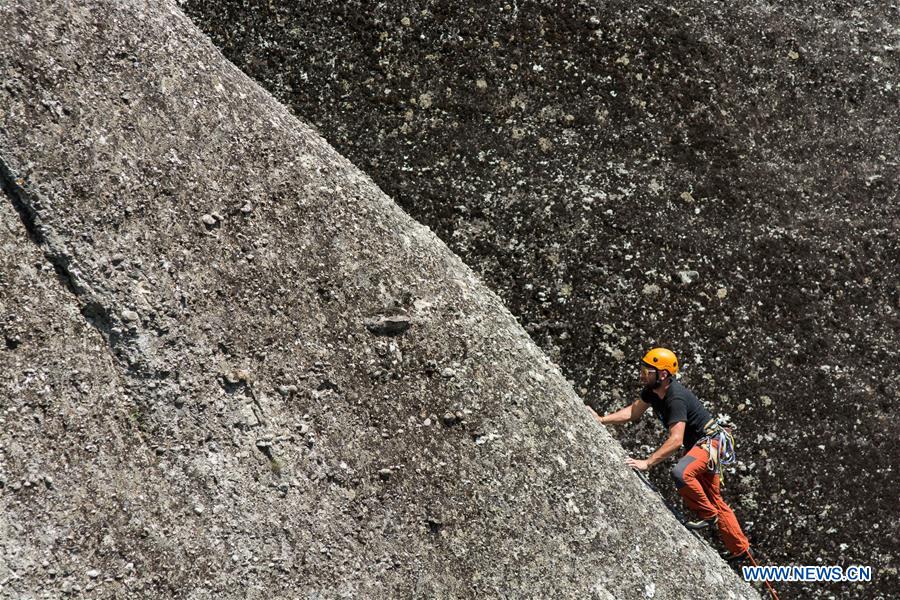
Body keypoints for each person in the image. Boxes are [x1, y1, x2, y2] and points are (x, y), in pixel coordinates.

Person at [588, 347, 750, 560]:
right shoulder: (651, 392)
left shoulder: (676, 398)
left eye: (648, 369)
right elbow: (633, 412)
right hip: (703, 445)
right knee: (713, 497)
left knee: (682, 473)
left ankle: (708, 515)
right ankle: (741, 550)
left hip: (711, 443)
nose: (642, 372)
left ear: (662, 374)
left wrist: (648, 462)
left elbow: (676, 440)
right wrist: (601, 419)